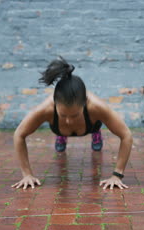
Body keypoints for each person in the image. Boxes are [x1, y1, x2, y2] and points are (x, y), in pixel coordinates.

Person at [12, 57, 133, 190]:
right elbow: (19, 134)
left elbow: (126, 135)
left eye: (75, 115)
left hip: (90, 125)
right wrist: (27, 174)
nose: (69, 120)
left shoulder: (96, 107)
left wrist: (117, 175)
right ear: (55, 104)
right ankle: (62, 134)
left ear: (85, 103)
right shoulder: (46, 109)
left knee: (93, 124)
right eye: (63, 115)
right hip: (60, 129)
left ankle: (95, 132)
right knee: (64, 127)